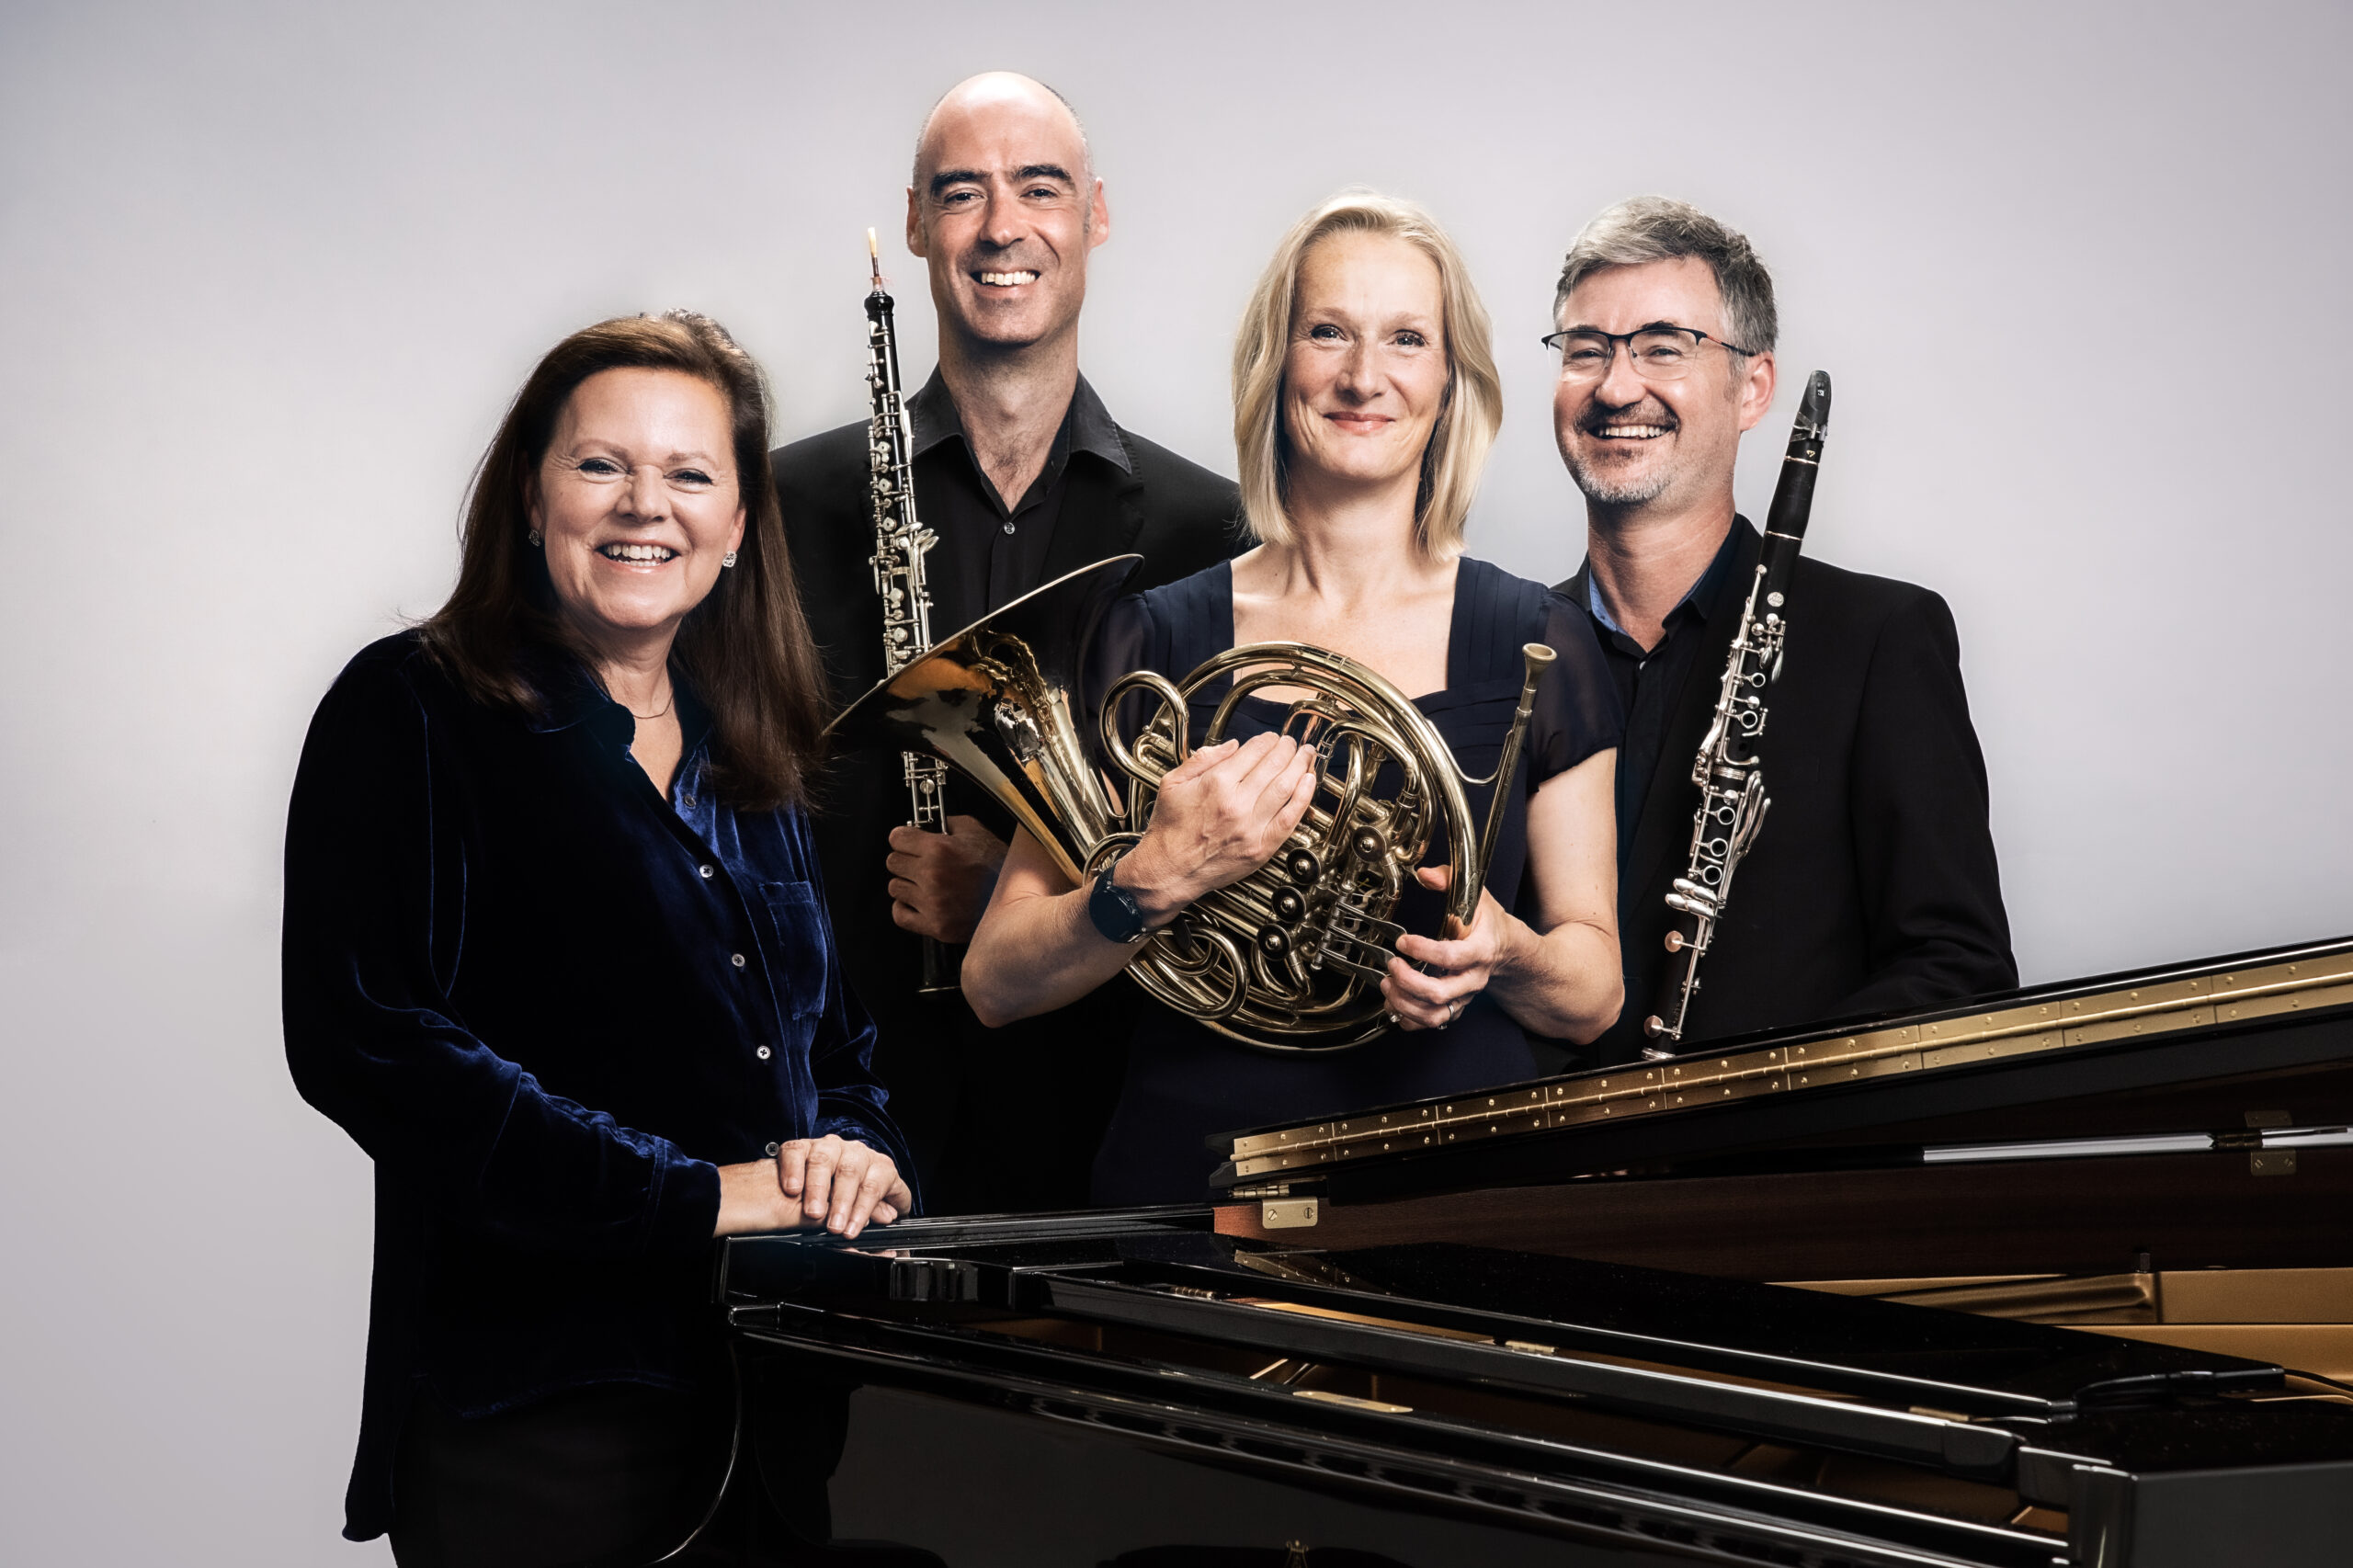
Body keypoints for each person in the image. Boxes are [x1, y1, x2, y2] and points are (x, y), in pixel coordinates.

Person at [283, 312, 912, 1566]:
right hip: (534, 1418)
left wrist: (857, 1149)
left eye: (690, 474)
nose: (646, 506)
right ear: (531, 495)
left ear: (739, 527)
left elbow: (837, 1050)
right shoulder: (410, 706)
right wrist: (687, 1197)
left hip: (775, 1399)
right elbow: (370, 1041)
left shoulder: (757, 760)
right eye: (600, 465)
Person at [961, 193, 1625, 1206]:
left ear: (1449, 384)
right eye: (1328, 332)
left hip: (1455, 1196)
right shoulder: (1148, 640)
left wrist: (1502, 949)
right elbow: (996, 980)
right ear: (1277, 367)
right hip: (1192, 1183)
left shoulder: (1542, 642)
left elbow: (1592, 992)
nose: (1364, 376)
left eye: (1407, 339)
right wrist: (1154, 875)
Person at [772, 72, 1240, 1215]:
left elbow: (1226, 853)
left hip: (1110, 1135)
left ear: (1094, 213)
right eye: (962, 192)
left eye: (1039, 188)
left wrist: (1024, 897)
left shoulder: (1206, 527)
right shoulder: (783, 504)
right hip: (838, 1132)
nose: (1002, 228)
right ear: (921, 222)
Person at [1540, 197, 2016, 1067]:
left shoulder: (1877, 641)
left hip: (1774, 1190)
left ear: (1752, 387)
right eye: (1586, 350)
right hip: (1521, 1198)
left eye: (1662, 348)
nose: (1615, 388)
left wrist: (1727, 1098)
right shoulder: (1503, 651)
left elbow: (1960, 975)